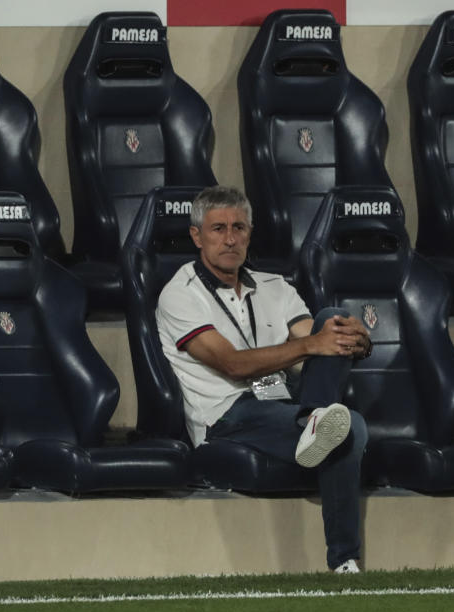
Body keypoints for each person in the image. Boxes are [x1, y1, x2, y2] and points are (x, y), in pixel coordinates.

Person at [155, 185, 370, 574]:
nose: (230, 238)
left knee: (332, 318)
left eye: (239, 227)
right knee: (350, 427)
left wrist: (351, 339)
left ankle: (313, 423)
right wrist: (314, 346)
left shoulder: (274, 286)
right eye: (218, 228)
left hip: (282, 404)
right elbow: (233, 365)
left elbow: (313, 334)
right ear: (196, 236)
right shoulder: (180, 294)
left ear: (250, 233)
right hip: (225, 416)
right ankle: (344, 557)